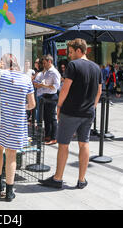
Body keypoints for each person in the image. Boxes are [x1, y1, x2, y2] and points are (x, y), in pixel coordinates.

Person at [40, 38, 102, 189]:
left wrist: (59, 106)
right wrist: (92, 107)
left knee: (63, 145)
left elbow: (65, 88)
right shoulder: (96, 68)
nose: (69, 55)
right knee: (84, 143)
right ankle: (81, 180)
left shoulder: (73, 65)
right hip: (88, 112)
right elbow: (99, 91)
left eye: (71, 52)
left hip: (71, 111)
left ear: (79, 51)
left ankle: (58, 178)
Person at [0, 53, 35, 202]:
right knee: (12, 154)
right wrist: (18, 107)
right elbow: (32, 105)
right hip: (17, 121)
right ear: (16, 64)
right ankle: (10, 192)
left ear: (3, 63)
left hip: (0, 120)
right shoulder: (26, 78)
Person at [33, 55, 61, 145]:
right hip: (45, 96)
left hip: (52, 96)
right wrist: (39, 84)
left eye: (44, 63)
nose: (43, 65)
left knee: (52, 118)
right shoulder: (47, 72)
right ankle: (48, 136)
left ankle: (54, 137)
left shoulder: (54, 72)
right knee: (46, 117)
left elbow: (56, 86)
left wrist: (42, 85)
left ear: (50, 62)